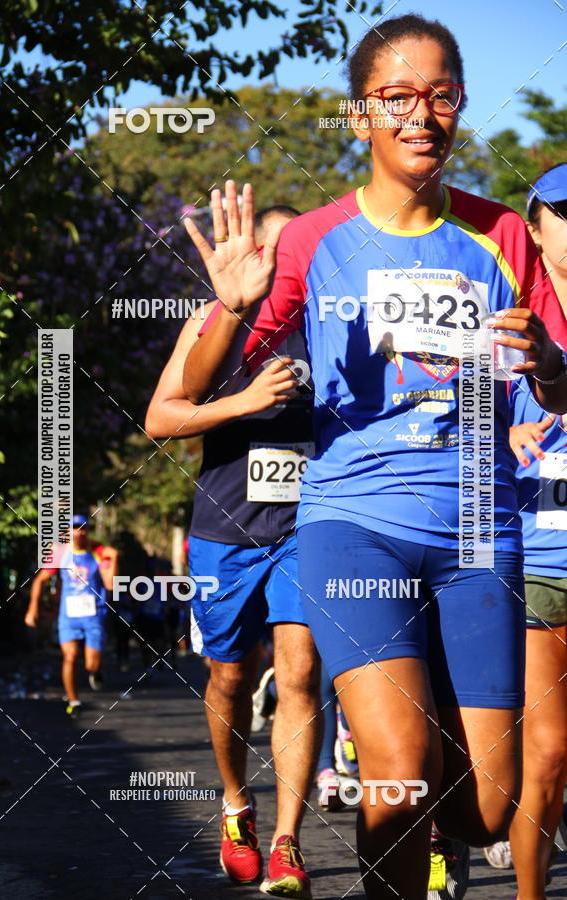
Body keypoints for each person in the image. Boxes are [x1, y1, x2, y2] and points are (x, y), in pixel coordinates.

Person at [180, 15, 567, 900]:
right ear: (360, 116)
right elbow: (197, 387)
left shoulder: (502, 234)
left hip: (477, 521)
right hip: (355, 523)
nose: (420, 114)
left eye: (441, 95)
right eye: (396, 98)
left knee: (483, 809)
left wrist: (550, 366)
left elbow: (555, 386)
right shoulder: (313, 239)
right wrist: (233, 308)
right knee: (396, 769)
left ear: (459, 105)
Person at [145, 206, 320, 899]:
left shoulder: (332, 325)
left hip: (309, 531)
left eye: (289, 249)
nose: (275, 261)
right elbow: (162, 417)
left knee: (301, 675)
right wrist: (242, 401)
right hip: (226, 534)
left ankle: (288, 844)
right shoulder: (216, 321)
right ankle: (236, 805)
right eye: (265, 248)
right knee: (230, 680)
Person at [501, 164, 567, 899]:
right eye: (564, 212)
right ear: (535, 225)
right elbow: (453, 424)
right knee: (545, 757)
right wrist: (503, 431)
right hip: (540, 554)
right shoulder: (509, 313)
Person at [25, 515, 119, 717]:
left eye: (83, 528)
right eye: (75, 528)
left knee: (90, 664)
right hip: (69, 615)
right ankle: (74, 701)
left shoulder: (99, 552)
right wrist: (33, 609)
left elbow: (110, 585)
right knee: (69, 657)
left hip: (94, 614)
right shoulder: (60, 553)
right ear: (68, 531)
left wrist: (114, 559)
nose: (79, 532)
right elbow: (39, 580)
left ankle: (95, 671)